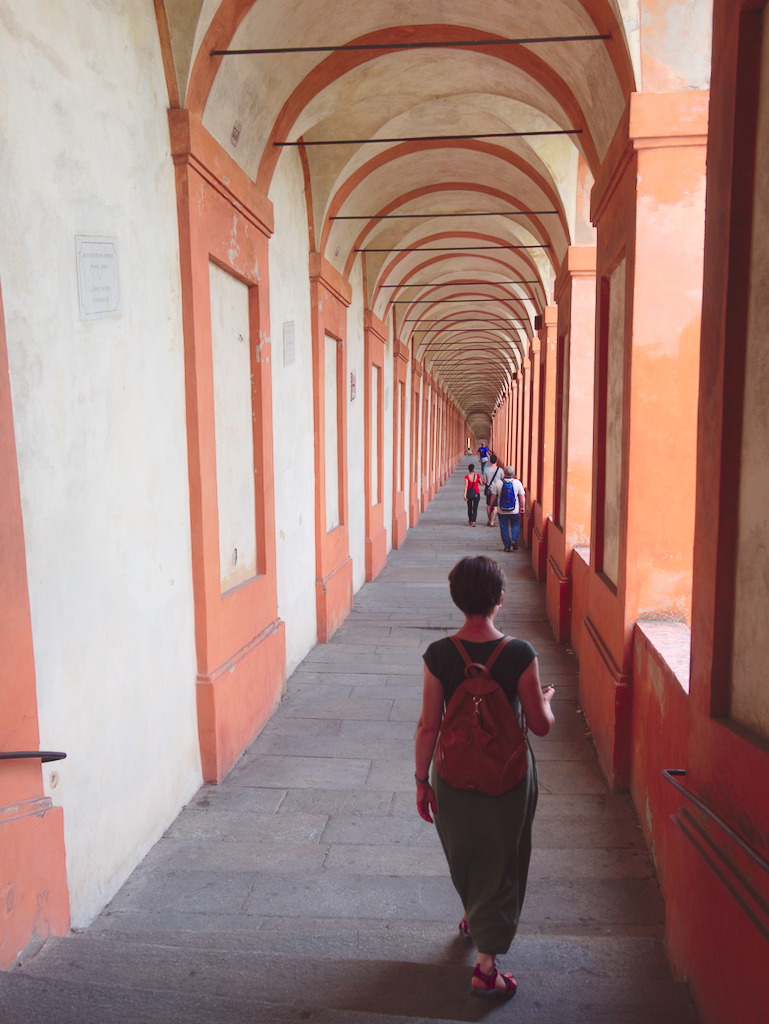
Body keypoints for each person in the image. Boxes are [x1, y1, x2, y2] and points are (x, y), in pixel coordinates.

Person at [414, 556, 555, 996]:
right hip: (508, 779)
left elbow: (428, 725)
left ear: (458, 601)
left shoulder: (439, 655)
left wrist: (422, 780)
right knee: (503, 858)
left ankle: (474, 916)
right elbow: (541, 723)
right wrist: (547, 698)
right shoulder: (520, 654)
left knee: (466, 850)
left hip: (452, 775)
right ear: (499, 599)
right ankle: (486, 966)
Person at [491, 466, 525, 552]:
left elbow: (493, 496)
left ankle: (507, 546)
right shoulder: (517, 483)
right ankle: (514, 540)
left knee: (504, 527)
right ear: (513, 473)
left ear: (505, 473)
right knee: (515, 525)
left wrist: (492, 505)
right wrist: (522, 506)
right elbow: (522, 497)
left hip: (501, 510)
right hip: (514, 510)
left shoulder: (498, 483)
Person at [483, 455, 503, 527]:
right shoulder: (500, 470)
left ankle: (489, 520)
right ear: (496, 460)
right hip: (497, 490)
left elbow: (485, 481)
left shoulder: (486, 470)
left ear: (490, 461)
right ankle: (492, 521)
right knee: (495, 506)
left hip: (489, 490)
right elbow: (502, 480)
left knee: (489, 505)